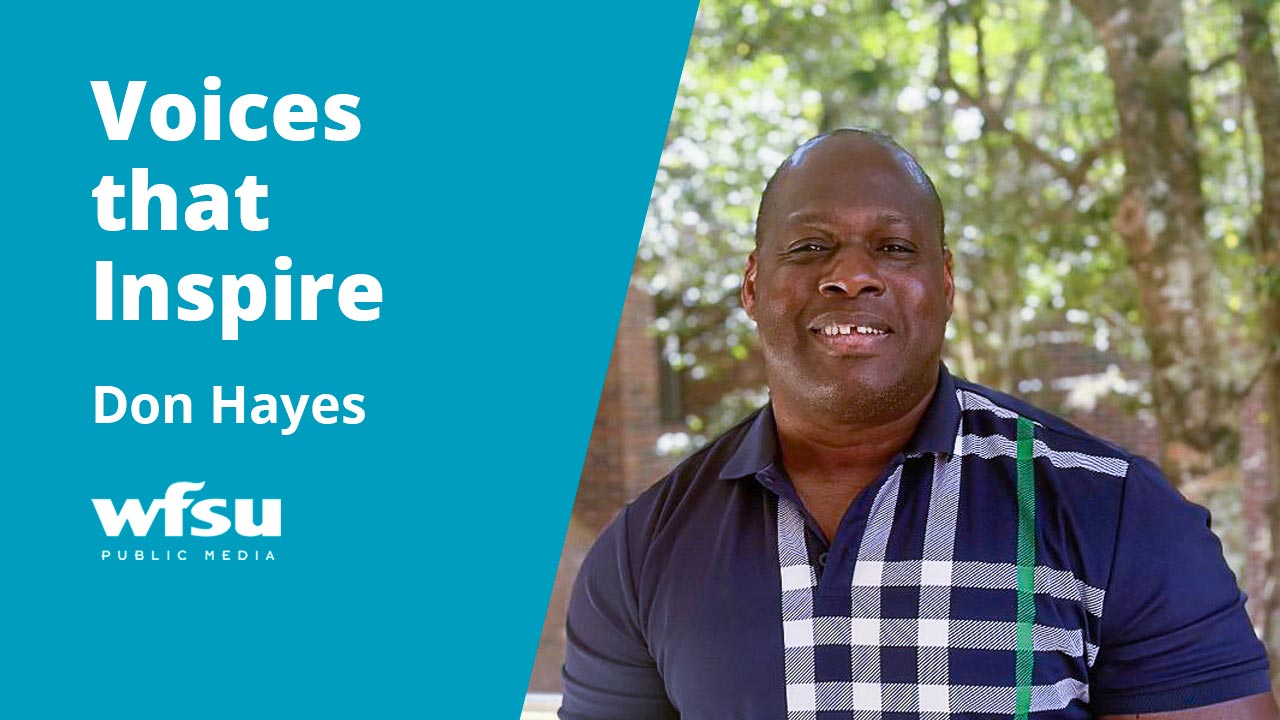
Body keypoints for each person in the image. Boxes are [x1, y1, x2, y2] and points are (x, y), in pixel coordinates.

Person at [559, 129, 1278, 719]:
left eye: (894, 247)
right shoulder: (643, 550)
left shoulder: (1115, 512)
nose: (851, 275)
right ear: (752, 284)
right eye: (810, 247)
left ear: (946, 283)